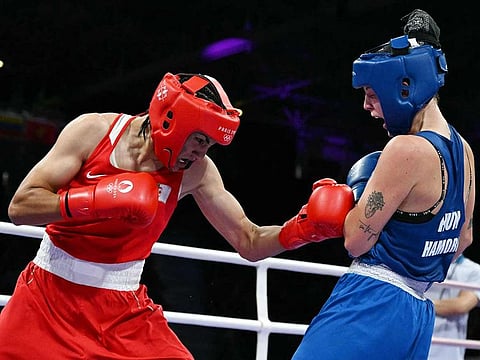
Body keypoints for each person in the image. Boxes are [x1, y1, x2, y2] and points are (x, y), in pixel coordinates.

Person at [0, 71, 354, 359]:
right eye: (199, 140)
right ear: (171, 119)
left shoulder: (197, 172)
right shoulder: (93, 132)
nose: (201, 153)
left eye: (211, 146)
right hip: (46, 298)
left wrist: (301, 231)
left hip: (121, 312)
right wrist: (95, 198)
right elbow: (20, 207)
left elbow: (249, 241)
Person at [291, 9, 476, 360]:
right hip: (419, 313)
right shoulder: (463, 151)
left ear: (403, 86)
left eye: (372, 94)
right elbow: (463, 238)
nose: (367, 106)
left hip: (372, 300)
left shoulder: (405, 149)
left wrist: (351, 202)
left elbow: (356, 240)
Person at [426, 254, 480, 360]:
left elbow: (461, 305)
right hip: (414, 344)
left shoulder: (474, 270)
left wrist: (416, 304)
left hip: (447, 352)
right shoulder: (417, 262)